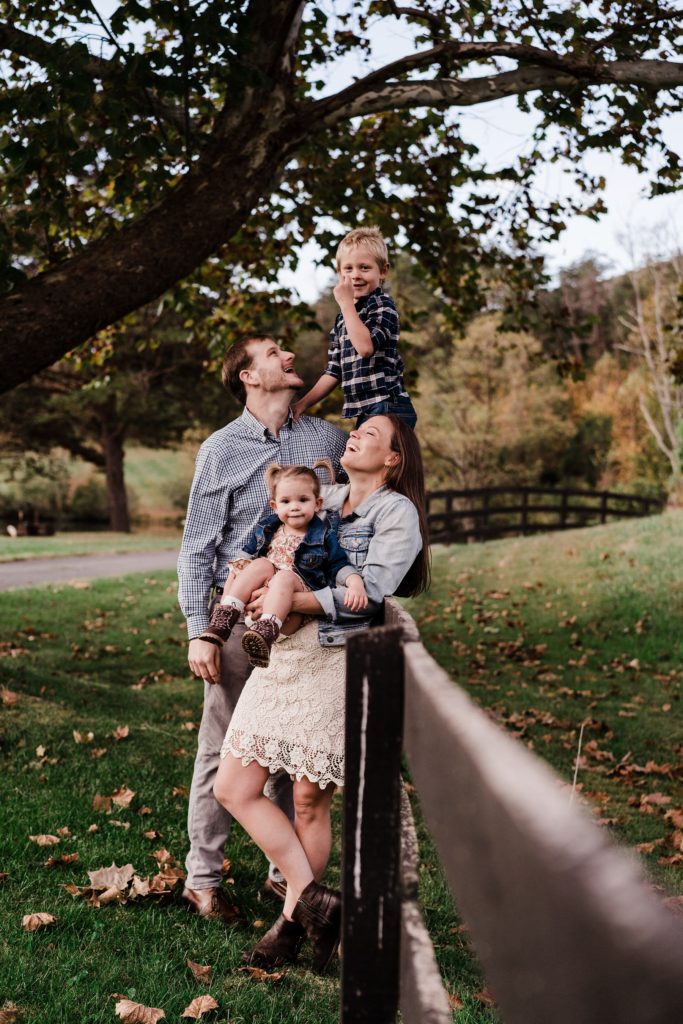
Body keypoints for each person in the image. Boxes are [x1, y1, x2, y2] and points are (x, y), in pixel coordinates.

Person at [213, 414, 430, 972]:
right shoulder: (321, 496)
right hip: (284, 655)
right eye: (358, 429)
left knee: (310, 799)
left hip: (339, 658)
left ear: (393, 460)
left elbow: (373, 591)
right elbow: (275, 541)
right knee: (234, 787)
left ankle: (288, 926)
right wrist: (258, 581)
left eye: (372, 435)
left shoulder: (397, 513)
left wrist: (286, 602)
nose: (355, 434)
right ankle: (317, 900)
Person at [177, 333, 347, 922]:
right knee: (222, 750)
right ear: (248, 376)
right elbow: (198, 547)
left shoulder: (326, 439)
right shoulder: (221, 449)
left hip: (305, 628)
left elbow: (367, 491)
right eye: (274, 353)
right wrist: (202, 629)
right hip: (237, 622)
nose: (289, 357)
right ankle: (203, 880)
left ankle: (286, 879)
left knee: (289, 749)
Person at [198, 462, 368, 666]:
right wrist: (228, 593)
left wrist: (355, 581)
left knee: (284, 576)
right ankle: (226, 615)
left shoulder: (323, 535)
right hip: (256, 606)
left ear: (317, 504)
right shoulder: (267, 528)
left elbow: (338, 564)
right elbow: (241, 563)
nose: (294, 507)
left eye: (303, 500)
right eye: (286, 501)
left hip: (288, 615)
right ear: (275, 506)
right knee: (261, 564)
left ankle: (265, 633)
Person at [292, 227, 417, 428]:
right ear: (339, 273)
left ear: (383, 271)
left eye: (364, 268)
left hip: (388, 406)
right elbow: (333, 371)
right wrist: (301, 405)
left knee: (378, 460)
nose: (355, 275)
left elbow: (366, 348)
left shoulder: (382, 305)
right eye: (348, 269)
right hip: (365, 410)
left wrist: (346, 304)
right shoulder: (343, 319)